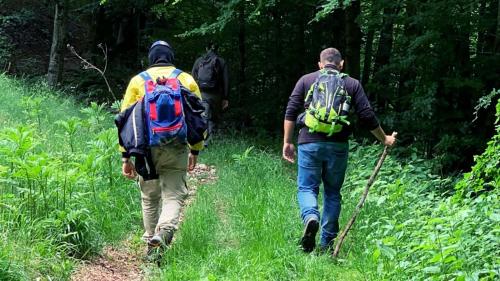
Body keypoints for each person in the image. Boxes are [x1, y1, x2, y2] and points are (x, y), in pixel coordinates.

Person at [282, 48, 397, 253]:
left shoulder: (306, 80)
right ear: (341, 64)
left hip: (308, 142)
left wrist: (287, 141)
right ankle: (327, 243)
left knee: (307, 188)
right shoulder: (351, 83)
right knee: (333, 192)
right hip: (338, 145)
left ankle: (310, 216)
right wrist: (384, 138)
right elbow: (367, 115)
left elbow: (291, 110)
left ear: (320, 64)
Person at [120, 40, 204, 252]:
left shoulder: (138, 81)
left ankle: (151, 241)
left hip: (146, 149)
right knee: (174, 194)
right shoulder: (185, 79)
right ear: (170, 57)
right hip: (176, 145)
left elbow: (125, 121)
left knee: (149, 196)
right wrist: (195, 149)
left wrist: (125, 156)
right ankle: (164, 231)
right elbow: (198, 117)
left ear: (151, 58)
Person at [192, 42, 229, 146]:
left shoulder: (199, 61)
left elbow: (193, 79)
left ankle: (202, 142)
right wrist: (225, 97)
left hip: (201, 93)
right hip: (216, 95)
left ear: (206, 47)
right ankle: (209, 141)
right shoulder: (221, 61)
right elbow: (226, 81)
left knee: (204, 117)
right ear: (218, 49)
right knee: (213, 118)